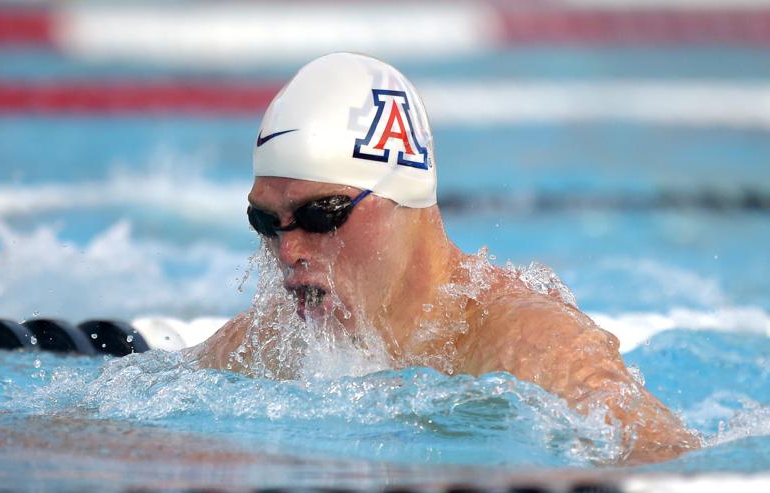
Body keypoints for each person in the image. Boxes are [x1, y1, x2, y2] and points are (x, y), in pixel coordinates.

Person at [193, 52, 700, 464]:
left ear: (401, 192)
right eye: (265, 222)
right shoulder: (269, 344)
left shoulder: (525, 347)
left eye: (321, 214)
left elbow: (666, 463)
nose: (289, 250)